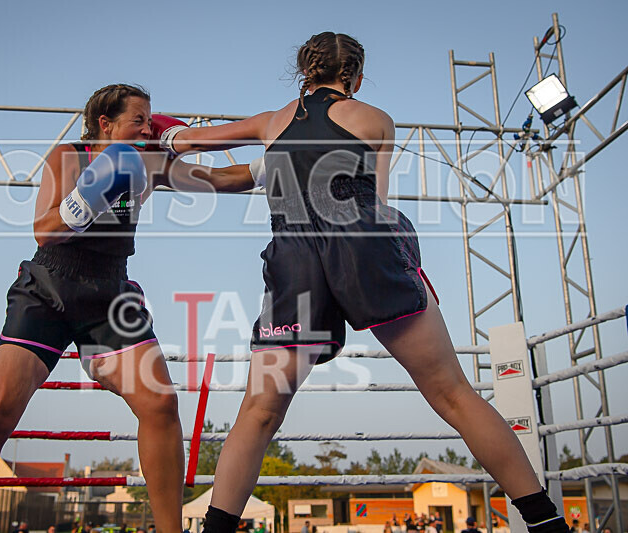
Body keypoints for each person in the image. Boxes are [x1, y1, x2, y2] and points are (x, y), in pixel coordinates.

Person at [159, 31, 571, 533]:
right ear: (353, 77)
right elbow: (375, 199)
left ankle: (217, 527)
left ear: (303, 73)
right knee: (454, 394)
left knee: (260, 408)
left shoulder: (270, 123)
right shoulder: (376, 119)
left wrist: (156, 139)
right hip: (362, 247)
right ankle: (546, 521)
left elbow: (187, 143)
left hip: (296, 259)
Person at [0, 84, 255, 533]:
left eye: (150, 120)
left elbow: (224, 179)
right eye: (138, 120)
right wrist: (90, 196)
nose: (149, 128)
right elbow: (44, 230)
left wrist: (276, 162)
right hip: (49, 285)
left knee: (160, 404)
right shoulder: (68, 156)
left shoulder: (147, 162)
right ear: (105, 123)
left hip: (110, 291)